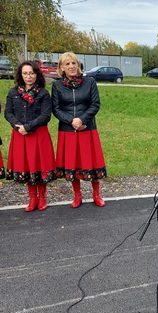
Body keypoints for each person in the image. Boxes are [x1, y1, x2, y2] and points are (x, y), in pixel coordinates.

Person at [51, 52, 106, 208]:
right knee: (72, 164)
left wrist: (82, 120)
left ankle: (96, 194)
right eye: (67, 64)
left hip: (87, 128)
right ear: (62, 67)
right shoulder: (57, 85)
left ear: (78, 65)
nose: (71, 66)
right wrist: (72, 121)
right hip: (67, 131)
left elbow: (95, 104)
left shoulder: (90, 82)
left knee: (93, 163)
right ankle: (77, 195)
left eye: (73, 63)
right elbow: (56, 109)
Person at [4, 60, 56, 211]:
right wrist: (18, 126)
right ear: (20, 75)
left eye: (31, 73)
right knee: (27, 166)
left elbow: (46, 115)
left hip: (38, 135)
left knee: (40, 166)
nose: (29, 76)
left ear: (37, 74)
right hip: (20, 135)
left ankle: (43, 198)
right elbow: (8, 112)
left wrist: (28, 127)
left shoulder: (44, 93)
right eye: (25, 73)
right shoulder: (13, 93)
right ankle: (33, 198)